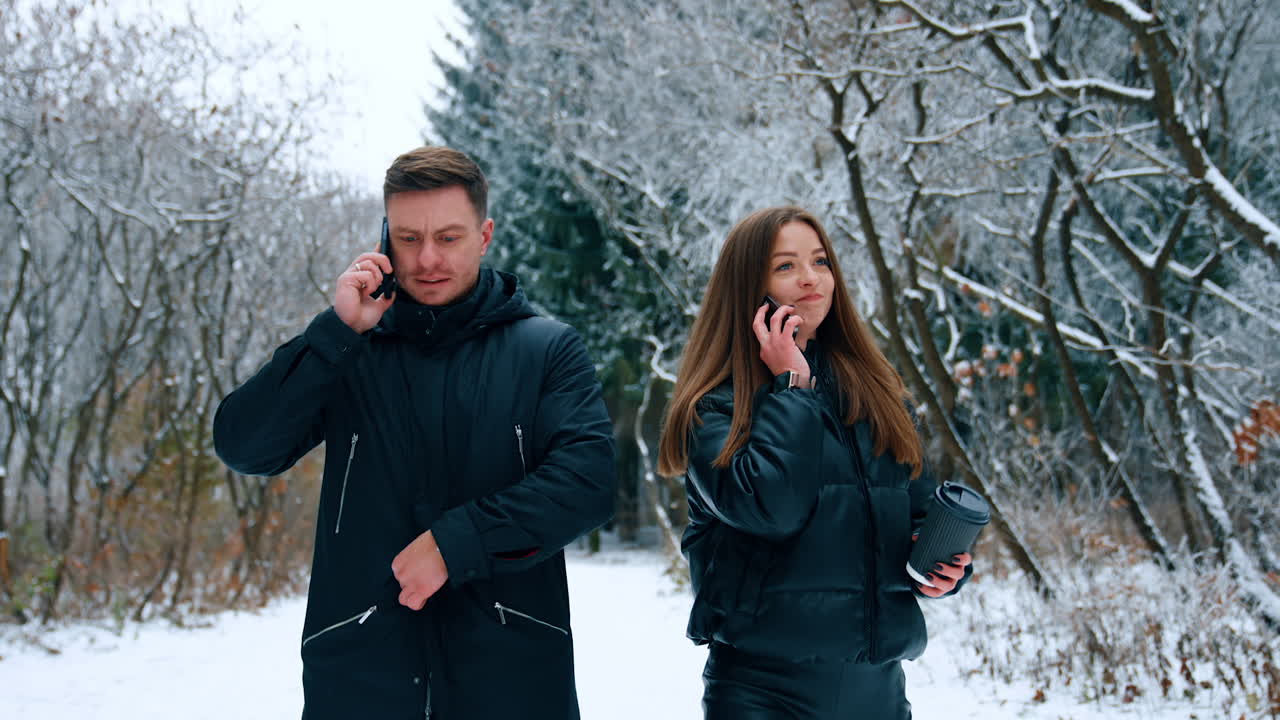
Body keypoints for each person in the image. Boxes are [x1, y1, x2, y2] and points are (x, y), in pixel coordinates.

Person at [213, 146, 615, 720]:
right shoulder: (350, 351)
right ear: (383, 237)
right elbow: (244, 446)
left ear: (485, 234)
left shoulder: (547, 349)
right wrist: (336, 333)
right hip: (360, 681)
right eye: (408, 238)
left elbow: (588, 482)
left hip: (512, 684)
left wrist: (456, 544)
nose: (427, 258)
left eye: (449, 237)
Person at [657, 206, 973, 719]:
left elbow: (913, 514)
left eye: (820, 261)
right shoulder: (714, 409)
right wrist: (791, 388)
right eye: (785, 266)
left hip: (879, 692)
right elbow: (770, 509)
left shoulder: (879, 396)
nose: (810, 278)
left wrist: (944, 565)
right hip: (763, 694)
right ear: (748, 289)